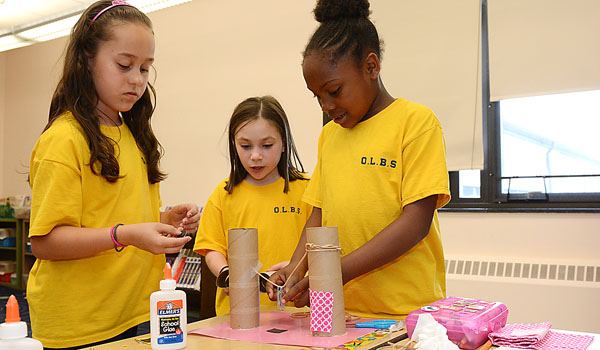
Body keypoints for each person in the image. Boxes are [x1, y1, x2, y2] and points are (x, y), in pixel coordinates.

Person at [27, 1, 199, 348]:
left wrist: (164, 220)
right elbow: (45, 241)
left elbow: (115, 216)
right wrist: (127, 235)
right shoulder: (63, 140)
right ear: (87, 59)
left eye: (145, 69)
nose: (136, 80)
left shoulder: (133, 134)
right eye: (124, 65)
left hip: (132, 310)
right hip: (79, 322)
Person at [267, 0, 451, 319]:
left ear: (371, 67)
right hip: (342, 310)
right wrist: (295, 271)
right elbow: (319, 215)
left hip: (405, 313)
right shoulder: (330, 137)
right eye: (317, 96)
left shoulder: (416, 122)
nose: (325, 105)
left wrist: (335, 272)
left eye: (334, 91)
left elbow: (416, 223)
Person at [194, 96, 312, 315]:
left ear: (284, 142)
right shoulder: (223, 194)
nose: (255, 156)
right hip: (237, 316)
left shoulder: (308, 190)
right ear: (234, 145)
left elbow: (321, 246)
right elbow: (211, 249)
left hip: (296, 313)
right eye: (245, 146)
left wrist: (300, 266)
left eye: (267, 145)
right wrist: (227, 273)